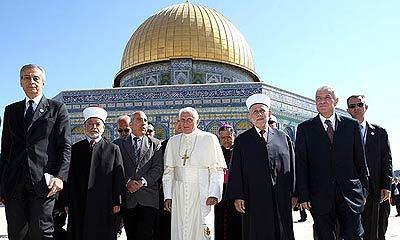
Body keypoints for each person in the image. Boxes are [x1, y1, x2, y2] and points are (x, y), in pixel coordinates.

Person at [0, 64, 71, 239]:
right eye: (26, 77)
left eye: (35, 78)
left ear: (43, 82)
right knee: (17, 233)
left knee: (41, 232)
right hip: (15, 184)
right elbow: (5, 151)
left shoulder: (56, 109)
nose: (31, 81)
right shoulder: (11, 111)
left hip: (43, 183)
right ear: (20, 82)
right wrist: (2, 187)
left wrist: (60, 177)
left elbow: (65, 146)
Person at [295, 86, 369, 240]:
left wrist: (364, 190)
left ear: (336, 101)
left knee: (354, 236)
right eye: (318, 98)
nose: (322, 101)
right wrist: (303, 195)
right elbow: (301, 164)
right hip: (319, 197)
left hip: (350, 195)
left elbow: (360, 161)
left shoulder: (351, 126)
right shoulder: (305, 129)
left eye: (327, 97)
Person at [226, 93, 296, 240]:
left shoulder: (283, 138)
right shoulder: (242, 141)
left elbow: (293, 167)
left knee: (282, 231)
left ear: (269, 113)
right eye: (255, 111)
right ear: (249, 116)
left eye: (262, 110)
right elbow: (236, 170)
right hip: (254, 199)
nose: (259, 114)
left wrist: (295, 193)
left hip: (281, 198)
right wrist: (238, 196)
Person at [163, 107, 226, 240]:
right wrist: (168, 196)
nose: (185, 123)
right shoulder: (173, 141)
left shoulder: (209, 139)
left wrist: (214, 193)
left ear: (198, 121)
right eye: (182, 120)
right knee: (180, 228)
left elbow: (216, 169)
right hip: (179, 192)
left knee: (201, 229)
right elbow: (168, 172)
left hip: (201, 191)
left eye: (190, 120)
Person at [65, 107, 125, 240]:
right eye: (90, 124)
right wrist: (67, 202)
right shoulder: (75, 149)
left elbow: (118, 177)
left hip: (104, 205)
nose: (94, 127)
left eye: (97, 124)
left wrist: (117, 202)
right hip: (79, 204)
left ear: (103, 128)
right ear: (84, 127)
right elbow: (69, 178)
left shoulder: (113, 149)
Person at [346, 94, 392, 240]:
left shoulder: (379, 132)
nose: (356, 109)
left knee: (375, 229)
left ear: (366, 107)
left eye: (360, 105)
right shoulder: (342, 133)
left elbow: (386, 160)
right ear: (348, 110)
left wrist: (387, 185)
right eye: (352, 106)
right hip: (351, 189)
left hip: (374, 187)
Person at [113, 111, 163, 240]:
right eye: (140, 120)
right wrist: (127, 182)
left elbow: (157, 168)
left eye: (145, 120)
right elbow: (116, 169)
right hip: (128, 199)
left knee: (146, 234)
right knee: (132, 234)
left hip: (148, 198)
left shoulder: (155, 144)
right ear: (131, 124)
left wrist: (142, 181)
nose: (143, 123)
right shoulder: (118, 145)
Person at [155, 116, 182, 240]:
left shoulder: (200, 143)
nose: (181, 125)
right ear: (174, 125)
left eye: (184, 121)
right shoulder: (165, 145)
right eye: (178, 122)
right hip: (169, 193)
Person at [215, 124, 242, 240]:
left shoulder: (240, 151)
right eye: (223, 138)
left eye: (229, 137)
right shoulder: (216, 153)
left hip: (236, 193)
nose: (226, 140)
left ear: (234, 136)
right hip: (221, 194)